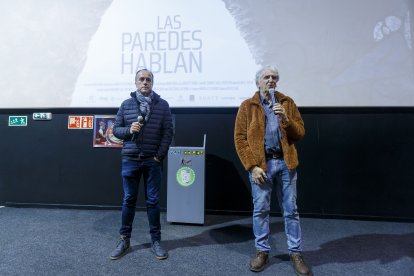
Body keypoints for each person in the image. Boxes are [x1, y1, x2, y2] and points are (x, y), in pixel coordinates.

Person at [234, 66, 311, 275]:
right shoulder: (247, 106)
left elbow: (300, 133)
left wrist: (286, 119)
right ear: (258, 81)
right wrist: (252, 166)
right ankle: (262, 251)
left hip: (286, 164)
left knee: (291, 210)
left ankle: (296, 253)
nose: (271, 80)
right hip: (262, 166)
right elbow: (240, 140)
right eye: (267, 77)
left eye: (274, 77)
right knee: (260, 210)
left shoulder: (287, 103)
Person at [110, 68, 173, 260]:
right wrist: (129, 129)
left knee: (153, 201)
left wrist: (158, 157)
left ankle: (156, 241)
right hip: (130, 160)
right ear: (136, 83)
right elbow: (116, 131)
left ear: (152, 83)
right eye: (141, 79)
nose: (145, 82)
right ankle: (124, 240)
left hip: (152, 161)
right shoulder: (126, 104)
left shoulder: (162, 105)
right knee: (129, 200)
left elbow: (168, 133)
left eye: (148, 79)